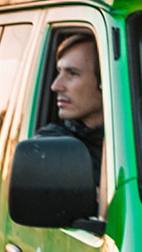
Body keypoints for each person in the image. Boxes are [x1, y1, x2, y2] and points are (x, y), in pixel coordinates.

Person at [36, 30, 105, 184]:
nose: (55, 86)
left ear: (105, 81)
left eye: (72, 73)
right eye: (60, 72)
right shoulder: (52, 144)